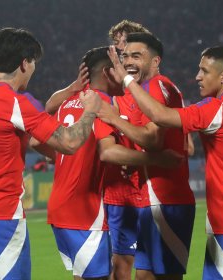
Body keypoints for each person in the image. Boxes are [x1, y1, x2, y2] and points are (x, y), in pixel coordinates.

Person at [106, 45, 223, 279]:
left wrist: (126, 79)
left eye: (204, 71)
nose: (197, 76)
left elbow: (160, 115)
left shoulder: (215, 109)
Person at [0, 27, 101, 280]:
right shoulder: (17, 103)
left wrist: (72, 88)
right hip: (0, 217)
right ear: (24, 63)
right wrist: (92, 110)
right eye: (34, 62)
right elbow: (70, 143)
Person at [30, 46, 180, 280]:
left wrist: (69, 160)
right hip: (85, 212)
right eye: (118, 67)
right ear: (107, 72)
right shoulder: (100, 103)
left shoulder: (69, 102)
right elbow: (108, 153)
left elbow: (34, 141)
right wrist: (157, 159)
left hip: (60, 208)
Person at [99, 32, 195, 280]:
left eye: (137, 56)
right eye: (125, 56)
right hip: (151, 198)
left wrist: (111, 119)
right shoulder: (157, 88)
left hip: (166, 200)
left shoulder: (156, 86)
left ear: (155, 61)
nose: (129, 61)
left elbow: (153, 139)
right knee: (144, 276)